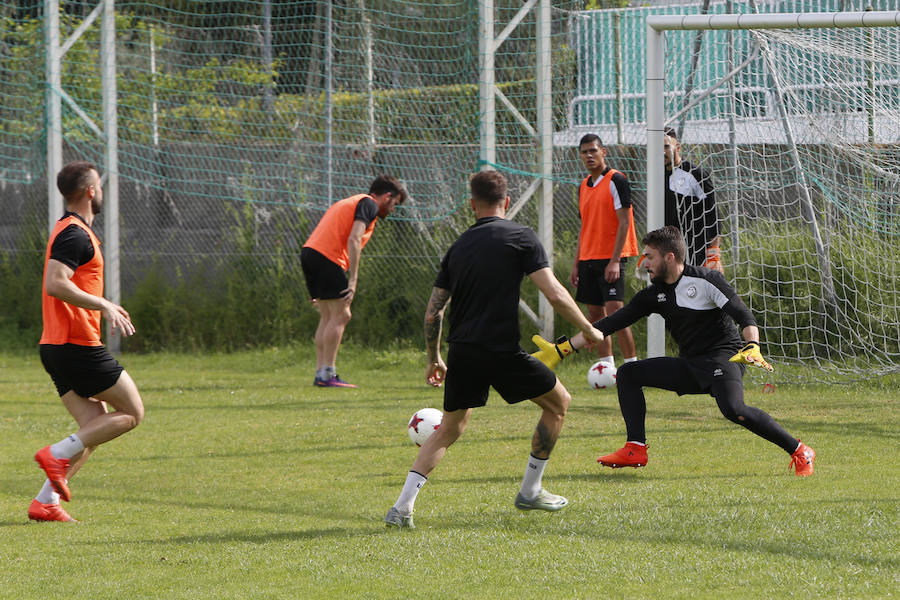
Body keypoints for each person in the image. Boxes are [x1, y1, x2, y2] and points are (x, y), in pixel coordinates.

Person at [384, 170, 604, 528]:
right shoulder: (520, 237)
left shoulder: (457, 247)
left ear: (472, 205)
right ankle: (530, 490)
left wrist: (433, 357)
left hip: (463, 351)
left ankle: (402, 507)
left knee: (449, 429)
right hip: (500, 351)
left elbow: (433, 310)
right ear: (506, 200)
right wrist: (587, 328)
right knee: (559, 403)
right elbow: (554, 292)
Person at [534, 226, 816, 477]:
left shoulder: (707, 280)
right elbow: (609, 324)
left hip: (724, 358)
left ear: (670, 257)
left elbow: (745, 317)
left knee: (734, 410)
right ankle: (635, 448)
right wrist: (563, 349)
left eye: (650, 257)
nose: (644, 263)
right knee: (630, 373)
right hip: (691, 365)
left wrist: (752, 345)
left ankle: (800, 449)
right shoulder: (654, 294)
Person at [31, 161, 145, 522]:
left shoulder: (71, 230)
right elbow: (55, 282)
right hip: (76, 345)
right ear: (90, 191)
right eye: (99, 186)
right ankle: (55, 454)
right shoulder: (75, 234)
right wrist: (104, 303)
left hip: (57, 346)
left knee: (94, 427)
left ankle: (45, 502)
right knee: (131, 413)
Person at [301, 175, 407, 388]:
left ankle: (321, 373)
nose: (392, 209)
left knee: (328, 315)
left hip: (311, 254)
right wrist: (353, 279)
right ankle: (327, 374)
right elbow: (354, 238)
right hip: (328, 257)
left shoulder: (351, 200)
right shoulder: (368, 203)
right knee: (342, 314)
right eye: (394, 203)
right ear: (387, 196)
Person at [570, 133, 638, 369]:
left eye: (593, 151)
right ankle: (606, 367)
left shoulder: (616, 180)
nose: (589, 155)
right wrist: (577, 262)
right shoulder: (582, 186)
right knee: (596, 318)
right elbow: (584, 226)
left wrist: (615, 260)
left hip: (610, 258)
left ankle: (632, 365)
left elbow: (624, 222)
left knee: (616, 315)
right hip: (588, 258)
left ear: (603, 152)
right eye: (584, 152)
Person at [664, 127, 722, 272]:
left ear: (677, 147)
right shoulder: (656, 177)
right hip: (667, 251)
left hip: (695, 251)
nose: (662, 151)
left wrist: (714, 253)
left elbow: (713, 214)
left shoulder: (695, 174)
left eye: (666, 146)